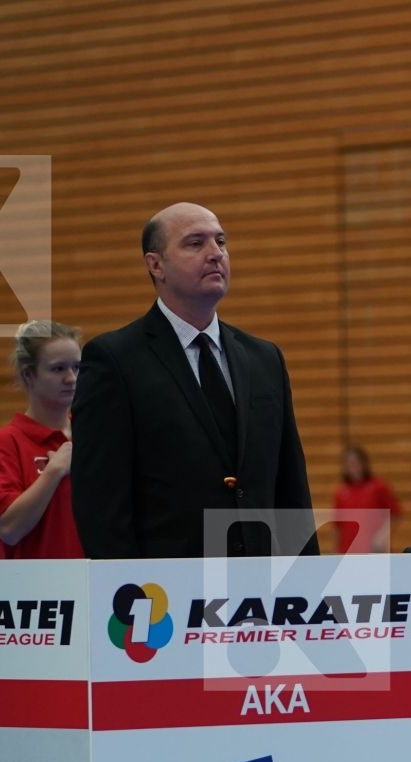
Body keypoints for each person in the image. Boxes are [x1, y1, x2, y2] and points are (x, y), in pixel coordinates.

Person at [72, 202, 314, 558]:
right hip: (167, 596)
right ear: (156, 265)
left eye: (221, 241)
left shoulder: (264, 359)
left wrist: (307, 589)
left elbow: (291, 489)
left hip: (261, 592)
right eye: (195, 243)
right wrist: (131, 600)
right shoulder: (115, 360)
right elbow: (101, 505)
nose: (216, 254)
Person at [0, 320, 86, 559]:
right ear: (29, 374)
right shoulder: (7, 442)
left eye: (77, 367)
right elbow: (9, 529)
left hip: (90, 583)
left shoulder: (92, 434)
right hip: (35, 589)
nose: (71, 378)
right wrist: (54, 471)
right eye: (58, 369)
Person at [331, 446, 400, 554]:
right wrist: (336, 551)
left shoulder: (378, 486)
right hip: (349, 551)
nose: (352, 468)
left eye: (355, 463)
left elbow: (394, 514)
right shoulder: (341, 492)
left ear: (363, 464)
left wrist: (383, 536)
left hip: (374, 550)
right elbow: (337, 527)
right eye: (349, 464)